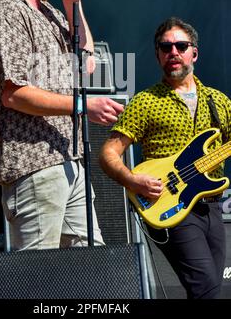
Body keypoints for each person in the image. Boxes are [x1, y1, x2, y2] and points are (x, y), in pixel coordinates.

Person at [0, 0, 124, 251]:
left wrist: (72, 3)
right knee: (40, 279)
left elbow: (87, 65)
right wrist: (83, 107)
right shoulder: (7, 11)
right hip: (33, 166)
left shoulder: (52, 13)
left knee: (91, 270)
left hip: (69, 161)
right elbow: (15, 93)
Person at [99, 16, 231, 299]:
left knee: (211, 288)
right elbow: (108, 153)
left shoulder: (219, 101)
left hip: (213, 206)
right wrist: (133, 181)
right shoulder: (146, 101)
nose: (173, 52)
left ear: (194, 52)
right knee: (206, 287)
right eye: (166, 47)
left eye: (180, 46)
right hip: (170, 204)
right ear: (158, 55)